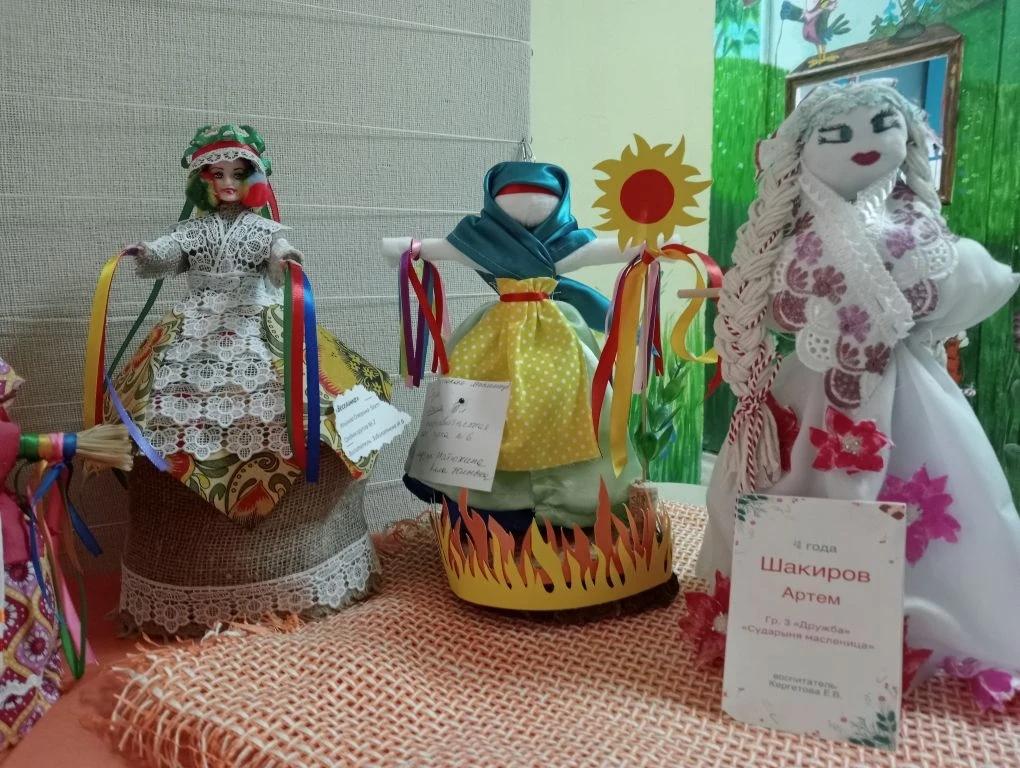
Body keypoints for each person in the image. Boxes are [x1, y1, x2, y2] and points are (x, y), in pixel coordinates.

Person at [699, 81, 1020, 710]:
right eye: (837, 135)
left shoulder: (918, 228)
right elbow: (780, 306)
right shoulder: (797, 238)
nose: (862, 144)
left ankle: (919, 631)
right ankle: (794, 624)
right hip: (812, 384)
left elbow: (964, 281)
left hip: (910, 390)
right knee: (791, 481)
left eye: (880, 127)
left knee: (933, 500)